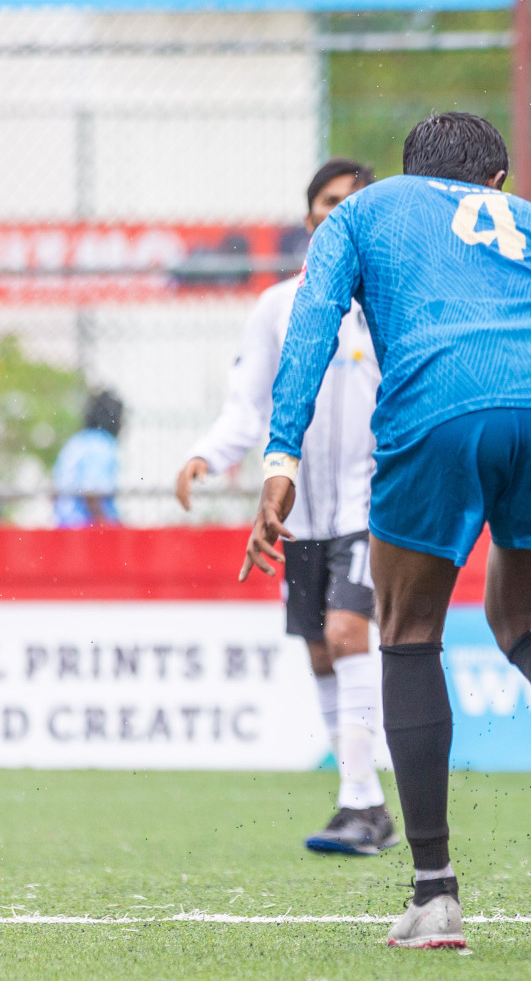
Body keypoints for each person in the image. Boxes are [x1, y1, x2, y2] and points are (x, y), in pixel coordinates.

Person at [241, 113, 531, 949]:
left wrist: (281, 456)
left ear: (409, 172)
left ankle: (434, 894)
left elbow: (312, 324)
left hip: (442, 400)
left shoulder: (363, 210)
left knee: (410, 629)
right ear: (493, 182)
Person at [178, 159, 395, 856]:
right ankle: (361, 802)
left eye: (354, 204)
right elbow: (248, 407)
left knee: (346, 634)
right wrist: (208, 454)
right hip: (296, 513)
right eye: (329, 203)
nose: (339, 213)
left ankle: (362, 802)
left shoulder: (391, 303)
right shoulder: (277, 306)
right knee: (320, 652)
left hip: (370, 504)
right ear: (309, 219)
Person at [54, 389, 124, 528]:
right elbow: (91, 492)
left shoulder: (76, 442)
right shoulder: (101, 444)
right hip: (86, 529)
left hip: (63, 527)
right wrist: (108, 527)